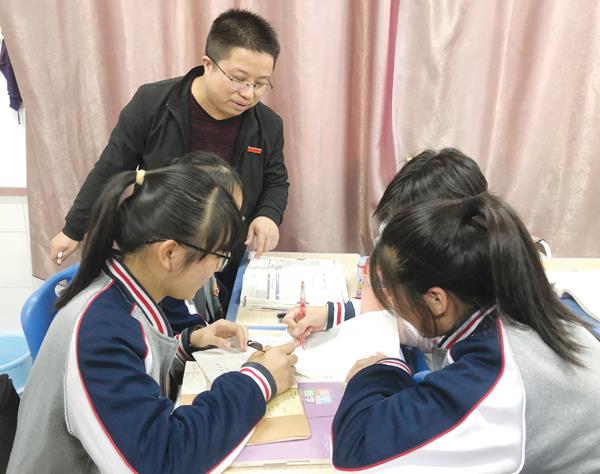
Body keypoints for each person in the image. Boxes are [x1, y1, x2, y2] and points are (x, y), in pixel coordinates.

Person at [8, 163, 297, 473]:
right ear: (169, 254)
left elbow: (137, 367)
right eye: (217, 256)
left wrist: (186, 344)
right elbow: (161, 461)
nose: (216, 268)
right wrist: (258, 381)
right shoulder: (98, 333)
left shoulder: (124, 295)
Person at [331, 192, 600, 472]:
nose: (392, 305)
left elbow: (355, 452)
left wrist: (377, 371)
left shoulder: (496, 383)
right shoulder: (514, 305)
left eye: (394, 295)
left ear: (436, 300)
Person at [49, 8, 289, 288]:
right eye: (237, 79)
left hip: (223, 255)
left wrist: (268, 215)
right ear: (208, 64)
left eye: (260, 84)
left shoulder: (268, 125)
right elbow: (111, 168)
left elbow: (276, 181)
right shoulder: (153, 103)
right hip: (158, 252)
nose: (248, 93)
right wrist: (73, 230)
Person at [283, 148, 488, 342]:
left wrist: (387, 365)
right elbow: (409, 322)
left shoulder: (476, 326)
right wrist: (332, 314)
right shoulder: (447, 288)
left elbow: (423, 330)